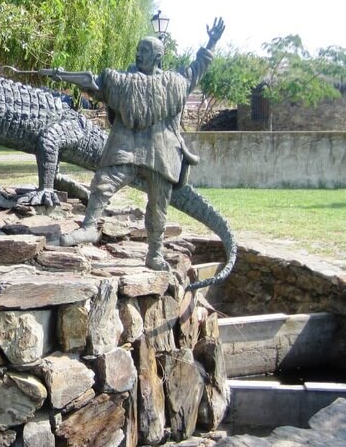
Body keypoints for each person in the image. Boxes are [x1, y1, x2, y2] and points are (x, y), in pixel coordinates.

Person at [56, 18, 225, 271]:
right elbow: (98, 87)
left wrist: (211, 41)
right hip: (126, 149)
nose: (138, 53)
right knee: (103, 183)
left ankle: (155, 253)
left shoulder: (174, 82)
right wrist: (75, 80)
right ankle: (89, 227)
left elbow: (197, 68)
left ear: (158, 56)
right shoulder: (121, 81)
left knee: (158, 207)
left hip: (161, 154)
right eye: (138, 49)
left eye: (144, 50)